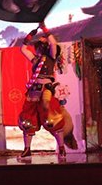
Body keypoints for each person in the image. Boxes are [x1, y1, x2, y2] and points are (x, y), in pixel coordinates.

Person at [18, 21, 67, 160]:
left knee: (51, 117)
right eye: (37, 46)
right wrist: (31, 34)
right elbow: (23, 49)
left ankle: (61, 148)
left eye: (40, 46)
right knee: (28, 120)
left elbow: (53, 43)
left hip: (46, 89)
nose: (37, 48)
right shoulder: (35, 59)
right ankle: (27, 150)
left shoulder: (51, 57)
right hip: (34, 91)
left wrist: (44, 28)